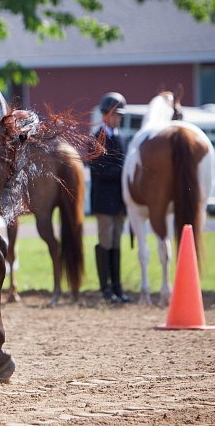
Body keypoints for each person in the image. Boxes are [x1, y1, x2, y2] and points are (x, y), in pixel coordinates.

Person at [90, 92, 130, 303]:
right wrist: (123, 171)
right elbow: (100, 170)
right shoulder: (96, 138)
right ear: (105, 115)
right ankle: (105, 288)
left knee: (116, 243)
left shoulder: (122, 137)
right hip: (104, 200)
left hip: (119, 201)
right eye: (114, 115)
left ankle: (117, 287)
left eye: (119, 115)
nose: (117, 119)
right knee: (105, 241)